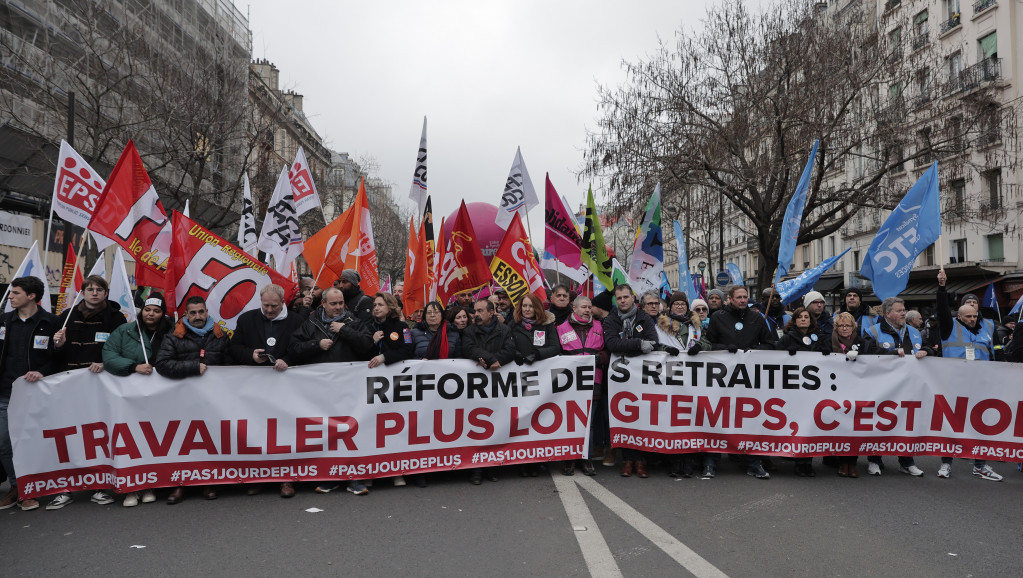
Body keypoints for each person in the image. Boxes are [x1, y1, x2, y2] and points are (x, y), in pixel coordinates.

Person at [49, 274, 127, 509]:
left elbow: (121, 347)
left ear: (105, 293)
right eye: (90, 289)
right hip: (70, 385)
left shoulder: (115, 318)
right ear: (82, 292)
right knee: (70, 434)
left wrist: (106, 362)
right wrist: (58, 345)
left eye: (99, 289)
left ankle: (101, 485)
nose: (94, 293)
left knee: (98, 435)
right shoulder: (66, 316)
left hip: (99, 385)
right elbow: (54, 355)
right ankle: (67, 487)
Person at [288, 287, 373, 496]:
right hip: (321, 389)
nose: (338, 307)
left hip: (350, 388)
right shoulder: (310, 323)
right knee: (328, 433)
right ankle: (331, 476)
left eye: (341, 303)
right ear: (323, 304)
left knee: (351, 432)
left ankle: (354, 477)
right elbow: (294, 349)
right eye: (333, 304)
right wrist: (316, 345)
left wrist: (344, 330)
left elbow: (368, 346)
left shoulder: (354, 322)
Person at [229, 284, 305, 498]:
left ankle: (286, 479)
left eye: (274, 306)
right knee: (258, 432)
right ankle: (258, 477)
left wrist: (288, 360)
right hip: (256, 387)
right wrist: (250, 355)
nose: (269, 310)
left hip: (286, 387)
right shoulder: (246, 319)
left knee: (285, 433)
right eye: (265, 305)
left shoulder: (297, 321)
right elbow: (234, 348)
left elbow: (305, 348)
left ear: (283, 303)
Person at [153, 296, 230, 503]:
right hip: (183, 401)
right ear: (186, 314)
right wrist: (193, 367)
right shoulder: (174, 337)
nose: (197, 316)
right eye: (193, 313)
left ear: (207, 312)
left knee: (211, 441)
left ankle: (209, 482)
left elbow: (231, 364)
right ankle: (180, 485)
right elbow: (162, 364)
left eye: (201, 312)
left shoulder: (220, 336)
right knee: (183, 443)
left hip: (213, 401)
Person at [101, 293, 173, 507]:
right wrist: (133, 367)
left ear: (163, 314)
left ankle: (149, 484)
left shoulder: (172, 332)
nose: (151, 314)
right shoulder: (124, 331)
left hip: (161, 397)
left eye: (157, 311)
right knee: (131, 441)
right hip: (129, 397)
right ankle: (132, 488)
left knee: (154, 440)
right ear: (142, 311)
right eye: (148, 310)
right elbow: (109, 355)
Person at [935, 270, 1002, 481]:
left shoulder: (986, 329)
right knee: (951, 426)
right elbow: (942, 309)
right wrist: (942, 287)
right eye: (968, 316)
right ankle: (946, 463)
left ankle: (980, 465)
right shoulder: (949, 327)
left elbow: (994, 355)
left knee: (981, 426)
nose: (972, 319)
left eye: (974, 316)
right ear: (959, 316)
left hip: (980, 386)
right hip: (953, 385)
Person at [0, 277, 58, 511]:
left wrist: (42, 371)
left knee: (36, 443)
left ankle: (35, 488)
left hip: (37, 396)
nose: (10, 297)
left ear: (31, 296)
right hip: (5, 394)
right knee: (4, 443)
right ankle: (18, 487)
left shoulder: (52, 322)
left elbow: (59, 358)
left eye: (15, 293)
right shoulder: (4, 321)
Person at [706, 284, 776, 479]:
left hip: (749, 379)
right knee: (717, 418)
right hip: (722, 378)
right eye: (739, 297)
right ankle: (711, 462)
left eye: (745, 297)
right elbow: (708, 344)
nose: (743, 300)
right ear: (729, 298)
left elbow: (771, 344)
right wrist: (724, 348)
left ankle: (754, 463)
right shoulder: (718, 317)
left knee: (749, 420)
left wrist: (754, 351)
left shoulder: (756, 319)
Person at [864, 296, 929, 477]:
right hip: (882, 387)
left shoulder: (915, 332)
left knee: (906, 423)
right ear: (888, 313)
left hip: (909, 387)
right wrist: (890, 353)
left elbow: (930, 349)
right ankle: (874, 460)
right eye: (900, 310)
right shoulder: (873, 331)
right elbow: (866, 352)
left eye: (904, 310)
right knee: (879, 422)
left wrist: (927, 351)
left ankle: (907, 462)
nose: (903, 313)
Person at [601, 284, 658, 478]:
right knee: (625, 416)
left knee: (641, 415)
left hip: (643, 378)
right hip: (620, 379)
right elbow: (613, 344)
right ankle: (627, 460)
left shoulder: (645, 318)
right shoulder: (610, 320)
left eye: (626, 297)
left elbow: (652, 342)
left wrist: (630, 346)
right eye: (619, 298)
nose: (623, 301)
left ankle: (640, 460)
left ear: (633, 298)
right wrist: (638, 344)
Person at [462, 299, 516, 485]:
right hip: (476, 388)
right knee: (477, 428)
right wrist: (490, 358)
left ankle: (492, 466)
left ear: (491, 313)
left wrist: (496, 361)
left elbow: (510, 350)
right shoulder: (469, 331)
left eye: (480, 311)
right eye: (475, 311)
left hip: (497, 387)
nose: (475, 314)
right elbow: (469, 348)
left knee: (494, 426)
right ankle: (476, 469)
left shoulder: (505, 330)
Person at [777, 307, 830, 478]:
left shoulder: (819, 337)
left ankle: (808, 461)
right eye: (800, 317)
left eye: (806, 317)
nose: (803, 320)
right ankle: (799, 461)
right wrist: (787, 354)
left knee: (811, 425)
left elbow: (828, 353)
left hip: (814, 390)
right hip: (795, 390)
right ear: (794, 320)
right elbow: (774, 357)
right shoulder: (787, 338)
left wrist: (827, 352)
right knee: (798, 425)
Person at [557, 295, 608, 476]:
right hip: (569, 382)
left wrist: (598, 358)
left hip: (594, 379)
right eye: (584, 307)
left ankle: (586, 458)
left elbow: (607, 351)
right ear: (575, 309)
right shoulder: (561, 328)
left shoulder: (599, 327)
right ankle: (569, 459)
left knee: (589, 422)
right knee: (569, 421)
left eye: (589, 307)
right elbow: (556, 353)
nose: (587, 310)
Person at [368, 292, 414, 369]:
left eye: (380, 305)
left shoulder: (404, 327)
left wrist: (384, 357)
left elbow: (408, 350)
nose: (376, 308)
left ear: (390, 307)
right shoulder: (370, 327)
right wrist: (373, 342)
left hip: (397, 373)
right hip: (373, 373)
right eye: (375, 305)